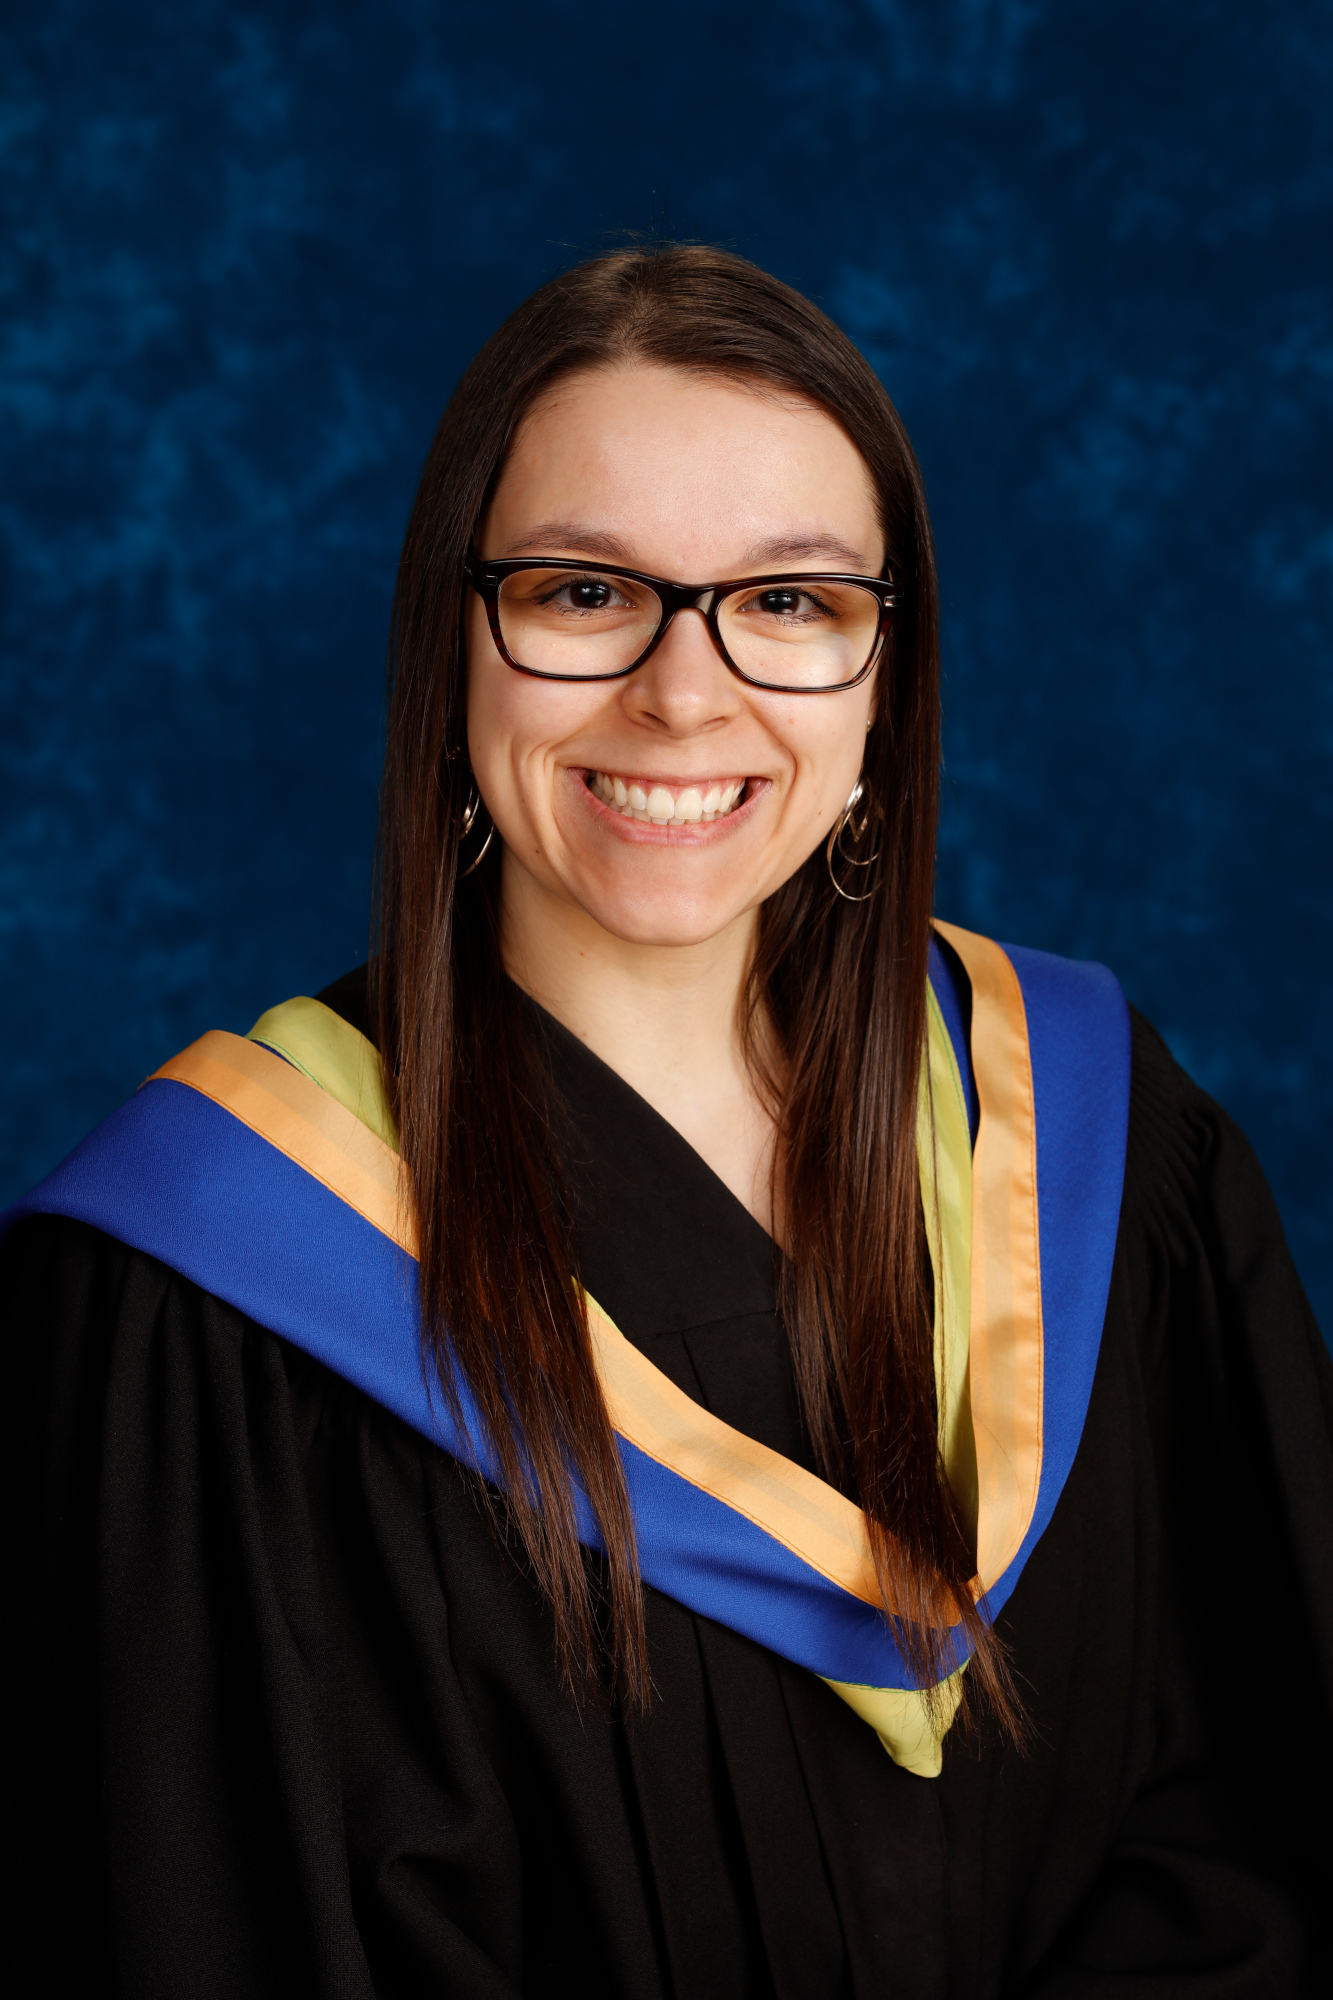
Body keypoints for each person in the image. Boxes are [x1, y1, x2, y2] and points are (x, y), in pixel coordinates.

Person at [5, 244, 1331, 1998]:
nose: (684, 694)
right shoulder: (208, 1292)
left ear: (883, 668)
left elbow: (1263, 1832)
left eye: (788, 601)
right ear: (453, 635)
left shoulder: (1091, 1130)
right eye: (581, 591)